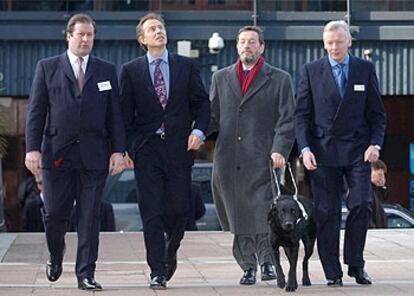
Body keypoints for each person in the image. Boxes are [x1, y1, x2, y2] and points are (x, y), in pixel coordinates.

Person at [24, 13, 125, 291]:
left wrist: (118, 151)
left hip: (94, 156)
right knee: (56, 213)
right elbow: (36, 112)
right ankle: (56, 254)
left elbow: (114, 115)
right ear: (68, 36)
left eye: (90, 35)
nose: (85, 39)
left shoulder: (105, 70)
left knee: (90, 216)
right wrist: (32, 148)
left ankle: (86, 274)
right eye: (80, 34)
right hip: (57, 155)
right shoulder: (47, 67)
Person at [119, 13, 210, 289]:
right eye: (152, 29)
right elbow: (124, 114)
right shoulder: (131, 70)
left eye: (161, 27)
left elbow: (202, 105)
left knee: (181, 209)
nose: (159, 31)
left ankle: (170, 253)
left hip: (179, 149)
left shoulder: (186, 66)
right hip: (147, 151)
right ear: (142, 39)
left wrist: (198, 131)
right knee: (152, 212)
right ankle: (157, 269)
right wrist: (124, 149)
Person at [295, 20, 386, 287]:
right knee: (327, 211)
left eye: (339, 41)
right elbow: (302, 115)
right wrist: (305, 148)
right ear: (324, 44)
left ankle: (356, 265)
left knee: (361, 204)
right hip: (323, 152)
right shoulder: (311, 71)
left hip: (358, 150)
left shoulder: (364, 69)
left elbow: (377, 115)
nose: (334, 47)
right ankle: (332, 271)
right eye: (329, 42)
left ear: (349, 42)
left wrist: (375, 145)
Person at [209, 26, 296, 285]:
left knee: (263, 212)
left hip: (263, 157)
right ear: (236, 47)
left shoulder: (280, 79)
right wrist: (196, 133)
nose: (247, 46)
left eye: (252, 42)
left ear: (262, 47)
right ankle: (248, 265)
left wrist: (280, 148)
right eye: (243, 42)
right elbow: (212, 116)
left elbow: (287, 119)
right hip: (229, 159)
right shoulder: (221, 78)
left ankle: (267, 261)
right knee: (238, 213)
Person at [370, 160, 388, 228]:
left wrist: (382, 187)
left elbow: (383, 199)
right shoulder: (366, 191)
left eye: (383, 175)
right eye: (379, 175)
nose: (382, 178)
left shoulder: (375, 191)